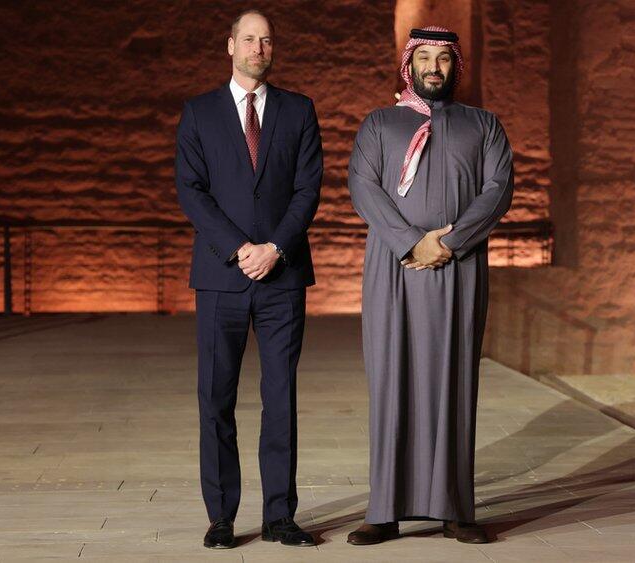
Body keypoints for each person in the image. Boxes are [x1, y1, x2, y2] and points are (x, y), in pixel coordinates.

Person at [345, 25, 514, 545]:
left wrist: (451, 242)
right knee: (390, 379)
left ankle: (455, 509)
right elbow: (363, 186)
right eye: (425, 58)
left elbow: (498, 189)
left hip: (459, 267)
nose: (433, 67)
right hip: (393, 267)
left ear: (455, 65)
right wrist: (410, 243)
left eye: (443, 58)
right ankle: (384, 510)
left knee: (453, 380)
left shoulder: (483, 125)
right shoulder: (379, 124)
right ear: (409, 64)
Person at [174, 9, 321, 550]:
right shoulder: (199, 113)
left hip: (283, 277)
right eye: (249, 39)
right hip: (221, 277)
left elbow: (308, 189)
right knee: (216, 398)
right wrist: (241, 250)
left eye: (267, 40)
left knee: (281, 398)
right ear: (230, 45)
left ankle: (281, 516)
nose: (259, 48)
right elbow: (191, 191)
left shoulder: (299, 110)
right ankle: (221, 518)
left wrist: (275, 248)